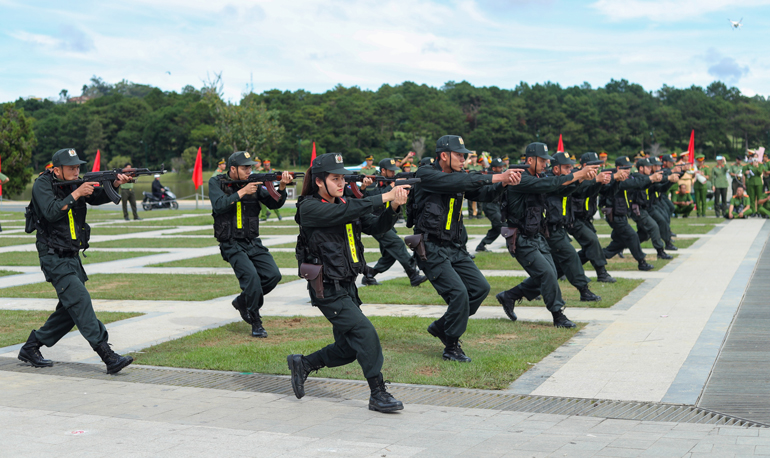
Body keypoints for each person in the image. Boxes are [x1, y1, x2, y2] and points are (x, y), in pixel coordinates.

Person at [288, 153, 408, 413]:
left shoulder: (345, 201)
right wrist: (382, 197)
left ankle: (304, 363)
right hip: (327, 289)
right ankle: (378, 393)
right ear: (319, 181)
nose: (341, 183)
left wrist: (394, 208)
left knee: (348, 348)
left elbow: (375, 226)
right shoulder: (309, 208)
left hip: (347, 286)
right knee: (365, 333)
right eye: (335, 178)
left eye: (342, 178)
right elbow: (344, 211)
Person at [18, 148, 134, 373]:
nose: (76, 171)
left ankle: (31, 347)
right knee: (80, 300)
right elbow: (51, 212)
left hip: (71, 256)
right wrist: (77, 193)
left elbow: (98, 197)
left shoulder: (76, 183)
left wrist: (117, 183)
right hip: (53, 256)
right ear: (57, 169)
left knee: (70, 311)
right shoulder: (42, 185)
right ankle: (108, 356)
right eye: (71, 168)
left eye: (78, 167)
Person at [410, 135, 520, 362]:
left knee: (480, 288)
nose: (464, 159)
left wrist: (503, 183)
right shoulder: (425, 175)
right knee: (459, 294)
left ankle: (442, 327)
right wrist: (498, 175)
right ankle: (451, 346)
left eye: (465, 155)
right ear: (443, 155)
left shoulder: (460, 177)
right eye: (460, 155)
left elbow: (483, 193)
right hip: (430, 247)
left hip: (454, 247)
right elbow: (455, 183)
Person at [495, 143, 599, 328]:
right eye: (542, 160)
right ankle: (558, 315)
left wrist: (579, 180)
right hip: (521, 238)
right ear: (529, 160)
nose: (546, 164)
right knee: (547, 274)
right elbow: (548, 184)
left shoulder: (537, 177)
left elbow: (557, 189)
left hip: (538, 237)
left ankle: (509, 296)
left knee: (546, 274)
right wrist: (578, 174)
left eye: (546, 161)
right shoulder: (520, 178)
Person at [208, 151, 292, 338]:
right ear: (233, 169)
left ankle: (243, 302)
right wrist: (242, 191)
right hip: (230, 243)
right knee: (252, 279)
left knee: (273, 276)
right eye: (245, 167)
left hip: (252, 241)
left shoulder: (253, 182)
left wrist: (282, 187)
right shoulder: (216, 182)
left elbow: (274, 204)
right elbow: (219, 205)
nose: (249, 171)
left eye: (250, 167)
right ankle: (255, 320)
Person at [542, 152, 603, 301]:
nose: (570, 171)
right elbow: (559, 187)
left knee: (557, 265)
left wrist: (587, 180)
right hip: (549, 229)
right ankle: (584, 290)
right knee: (570, 256)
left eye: (571, 167)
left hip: (559, 228)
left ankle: (529, 290)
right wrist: (582, 177)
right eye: (567, 168)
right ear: (556, 169)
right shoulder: (549, 180)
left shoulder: (562, 181)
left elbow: (579, 193)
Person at [362, 158, 428, 287]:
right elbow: (373, 198)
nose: (393, 174)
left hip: (387, 222)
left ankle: (370, 275)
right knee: (397, 245)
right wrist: (392, 186)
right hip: (375, 222)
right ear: (383, 171)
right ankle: (413, 275)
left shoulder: (390, 181)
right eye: (391, 171)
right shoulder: (371, 182)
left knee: (389, 255)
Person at [601, 156, 657, 271]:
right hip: (615, 215)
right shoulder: (613, 179)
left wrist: (651, 180)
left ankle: (600, 256)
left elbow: (637, 184)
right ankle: (642, 262)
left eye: (629, 168)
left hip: (621, 214)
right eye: (625, 168)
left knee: (619, 242)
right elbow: (629, 184)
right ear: (618, 168)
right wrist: (650, 178)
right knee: (632, 236)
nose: (628, 171)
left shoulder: (626, 177)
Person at [568, 152, 616, 283]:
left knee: (590, 248)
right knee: (592, 242)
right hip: (573, 218)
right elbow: (579, 191)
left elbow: (598, 192)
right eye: (594, 167)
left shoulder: (592, 178)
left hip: (585, 218)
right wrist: (596, 180)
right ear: (584, 166)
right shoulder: (575, 175)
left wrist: (609, 181)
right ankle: (602, 273)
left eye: (597, 167)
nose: (596, 169)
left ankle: (564, 269)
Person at [629, 158, 673, 260]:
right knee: (654, 227)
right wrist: (662, 178)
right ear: (641, 168)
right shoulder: (636, 177)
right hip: (638, 209)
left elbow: (659, 187)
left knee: (644, 234)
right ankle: (660, 251)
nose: (650, 169)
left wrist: (670, 181)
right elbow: (642, 181)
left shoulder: (647, 178)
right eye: (648, 167)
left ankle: (623, 245)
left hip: (646, 208)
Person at [648, 157, 679, 251]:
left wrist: (670, 181)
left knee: (664, 219)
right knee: (661, 221)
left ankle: (667, 240)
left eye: (659, 165)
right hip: (648, 205)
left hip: (655, 202)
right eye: (656, 165)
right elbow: (658, 185)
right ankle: (666, 244)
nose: (658, 167)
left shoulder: (656, 175)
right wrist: (669, 179)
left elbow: (661, 187)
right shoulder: (649, 177)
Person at [475, 158, 506, 252]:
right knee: (502, 226)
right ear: (494, 168)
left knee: (497, 228)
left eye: (502, 167)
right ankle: (515, 244)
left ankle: (481, 245)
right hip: (489, 205)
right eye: (499, 167)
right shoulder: (488, 177)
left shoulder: (500, 176)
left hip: (497, 205)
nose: (501, 169)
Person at [464, 153, 484, 219]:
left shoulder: (479, 165)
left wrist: (484, 156)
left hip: (478, 184)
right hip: (470, 183)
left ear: (476, 158)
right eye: (472, 157)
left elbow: (486, 166)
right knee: (470, 200)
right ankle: (470, 214)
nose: (474, 158)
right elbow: (465, 166)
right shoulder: (469, 165)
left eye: (475, 157)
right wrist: (468, 157)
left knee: (479, 199)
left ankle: (479, 214)